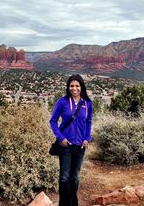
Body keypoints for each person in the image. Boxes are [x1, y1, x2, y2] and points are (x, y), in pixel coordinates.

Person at [49, 74, 92, 206]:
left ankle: (73, 203)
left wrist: (87, 138)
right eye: (72, 86)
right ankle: (64, 203)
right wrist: (60, 138)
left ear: (81, 87)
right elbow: (53, 121)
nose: (74, 88)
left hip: (80, 146)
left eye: (77, 86)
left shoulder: (87, 103)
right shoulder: (62, 102)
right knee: (64, 177)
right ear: (68, 87)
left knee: (75, 177)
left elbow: (89, 122)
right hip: (65, 145)